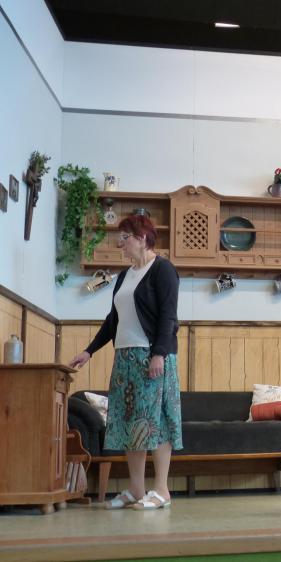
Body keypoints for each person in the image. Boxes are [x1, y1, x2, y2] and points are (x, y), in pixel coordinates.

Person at [69, 214, 182, 510]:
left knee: (155, 422)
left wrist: (158, 353)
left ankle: (162, 491)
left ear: (142, 238)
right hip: (125, 358)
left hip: (152, 356)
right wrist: (89, 351)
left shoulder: (163, 270)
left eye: (124, 238)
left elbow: (169, 316)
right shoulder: (124, 276)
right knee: (131, 422)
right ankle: (135, 489)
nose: (120, 244)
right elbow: (113, 320)